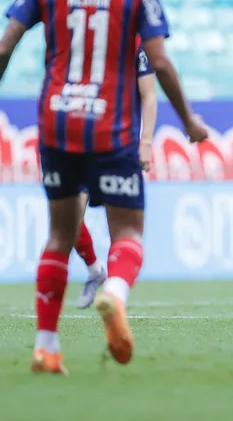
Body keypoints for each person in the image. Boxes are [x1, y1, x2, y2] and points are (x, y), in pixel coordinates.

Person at [0, 0, 208, 374]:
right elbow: (160, 62)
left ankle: (46, 347)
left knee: (59, 237)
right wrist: (187, 119)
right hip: (113, 128)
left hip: (57, 123)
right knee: (128, 233)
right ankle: (113, 291)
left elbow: (2, 48)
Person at [74, 35, 158, 310]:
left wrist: (145, 142)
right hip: (75, 142)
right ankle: (95, 270)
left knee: (121, 228)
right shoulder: (75, 34)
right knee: (71, 219)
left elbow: (148, 93)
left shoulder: (134, 42)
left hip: (116, 144)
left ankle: (113, 294)